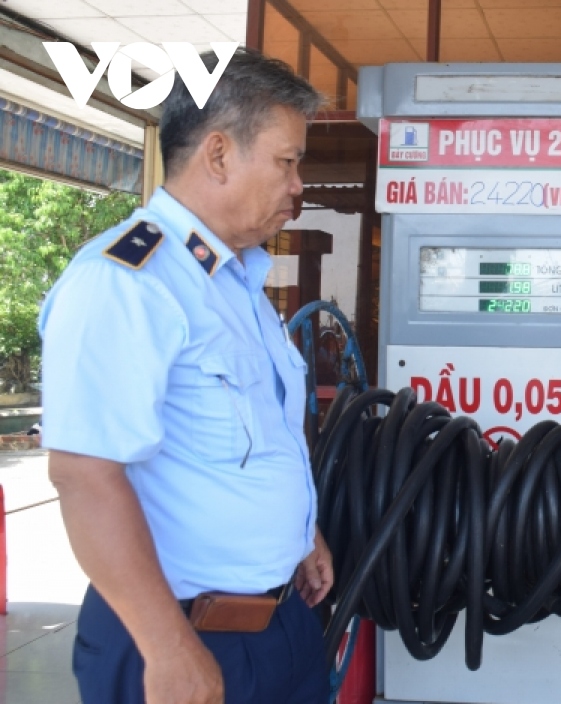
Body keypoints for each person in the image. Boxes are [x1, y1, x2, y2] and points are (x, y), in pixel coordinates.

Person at [40, 49, 332, 704]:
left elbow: (248, 439)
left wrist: (300, 534)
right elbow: (85, 475)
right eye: (287, 162)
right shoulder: (124, 281)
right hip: (181, 637)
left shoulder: (236, 286)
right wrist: (167, 647)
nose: (298, 186)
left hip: (280, 624)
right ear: (220, 154)